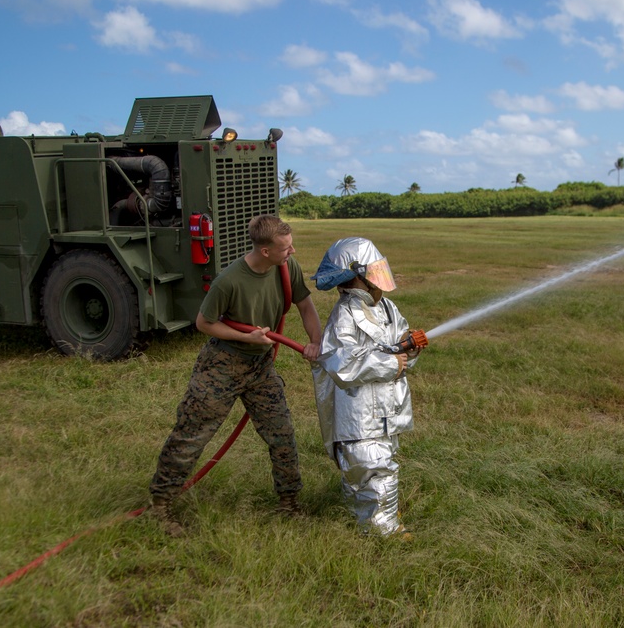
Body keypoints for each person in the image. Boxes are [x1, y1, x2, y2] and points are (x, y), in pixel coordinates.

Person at [149, 215, 322, 536]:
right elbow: (204, 323)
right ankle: (161, 506)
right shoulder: (228, 281)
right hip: (222, 365)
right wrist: (247, 337)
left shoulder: (286, 268)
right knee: (192, 433)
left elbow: (305, 306)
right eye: (286, 247)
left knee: (282, 434)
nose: (293, 251)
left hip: (261, 368)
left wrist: (314, 341)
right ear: (265, 251)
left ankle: (289, 504)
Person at [311, 237, 421, 537]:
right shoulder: (345, 313)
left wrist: (409, 351)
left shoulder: (387, 307)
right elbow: (340, 361)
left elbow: (398, 350)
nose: (380, 279)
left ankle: (359, 517)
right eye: (373, 271)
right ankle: (383, 533)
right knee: (372, 465)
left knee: (372, 465)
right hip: (358, 411)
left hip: (386, 409)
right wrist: (390, 363)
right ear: (356, 275)